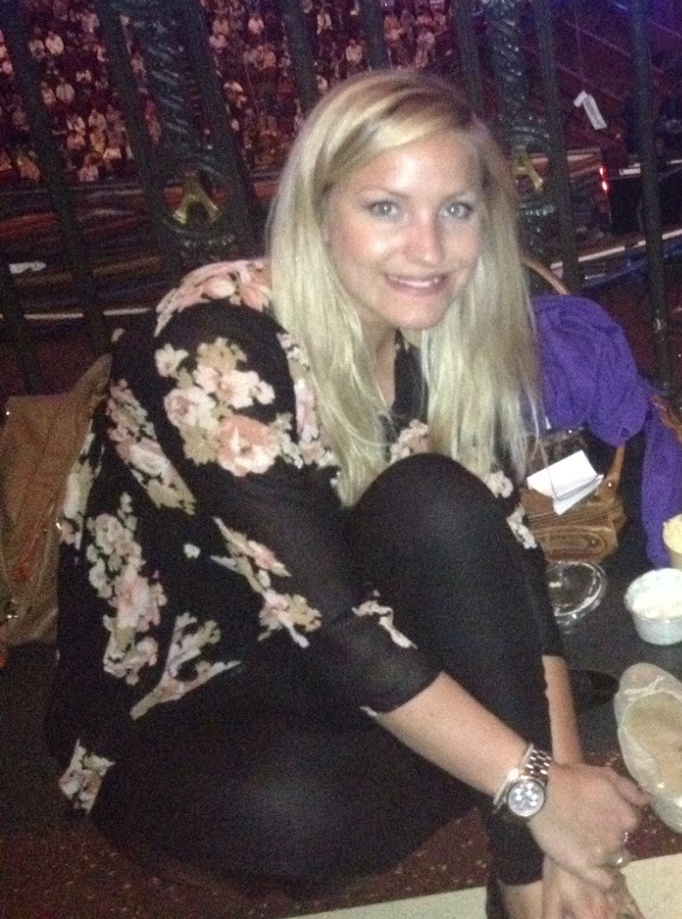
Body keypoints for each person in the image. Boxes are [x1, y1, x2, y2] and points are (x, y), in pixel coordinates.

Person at [48, 70, 649, 919]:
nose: (428, 250)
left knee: (438, 503)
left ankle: (521, 884)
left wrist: (559, 813)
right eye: (386, 207)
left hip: (357, 647)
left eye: (456, 209)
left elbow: (507, 563)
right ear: (319, 210)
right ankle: (493, 761)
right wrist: (541, 783)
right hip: (190, 692)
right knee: (298, 810)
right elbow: (333, 623)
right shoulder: (215, 342)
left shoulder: (438, 338)